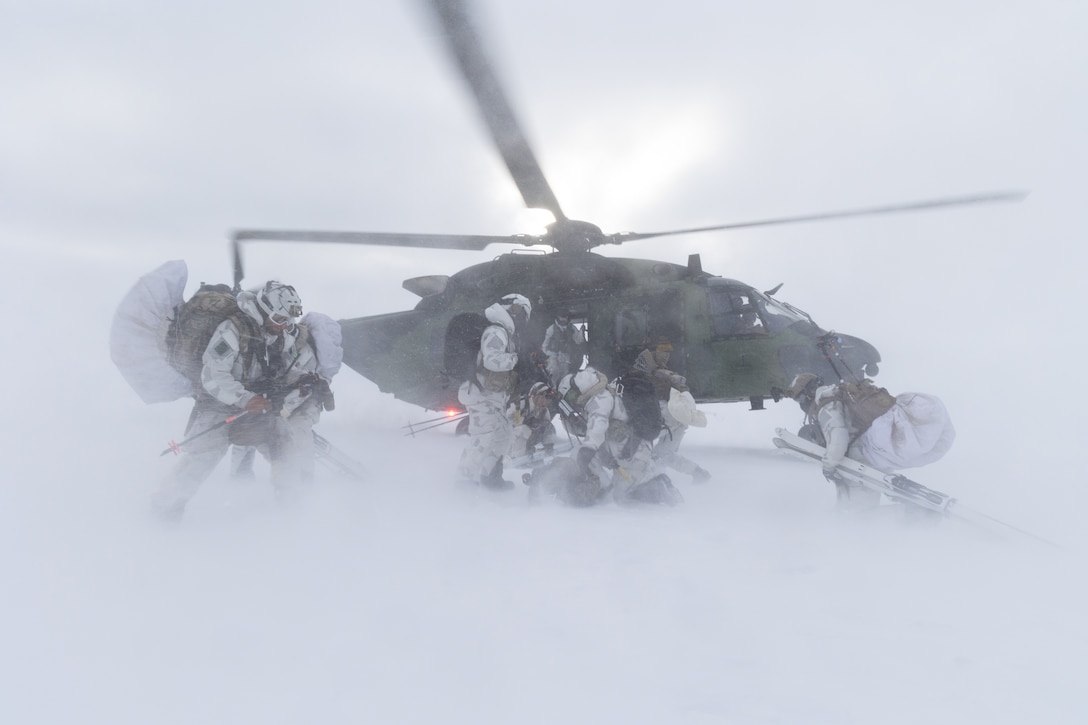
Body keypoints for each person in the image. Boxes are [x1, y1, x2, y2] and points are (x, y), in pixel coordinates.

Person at [151, 281, 331, 520]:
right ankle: (164, 510)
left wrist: (305, 380)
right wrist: (245, 399)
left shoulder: (280, 336)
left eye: (287, 320)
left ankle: (295, 511)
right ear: (265, 309)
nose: (284, 325)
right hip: (218, 402)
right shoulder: (232, 330)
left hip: (259, 404)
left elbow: (283, 369)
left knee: (286, 446)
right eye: (279, 318)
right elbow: (212, 375)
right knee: (204, 455)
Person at [784, 372, 955, 511]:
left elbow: (838, 437)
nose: (801, 404)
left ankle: (862, 531)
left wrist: (829, 465)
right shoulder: (840, 393)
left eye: (799, 399)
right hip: (879, 449)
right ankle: (902, 511)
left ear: (807, 394)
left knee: (859, 505)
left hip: (863, 454)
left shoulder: (826, 404)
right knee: (874, 489)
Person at [552, 366, 681, 506]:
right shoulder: (605, 391)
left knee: (621, 494)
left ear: (577, 388)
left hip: (631, 452)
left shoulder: (599, 400)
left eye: (571, 395)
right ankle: (655, 483)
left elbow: (597, 426)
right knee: (623, 490)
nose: (573, 400)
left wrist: (588, 449)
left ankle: (658, 489)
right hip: (632, 449)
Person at [457, 293, 532, 490]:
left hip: (492, 396)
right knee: (484, 435)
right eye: (523, 314)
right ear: (515, 308)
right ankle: (464, 482)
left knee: (503, 434)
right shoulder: (496, 331)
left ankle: (488, 476)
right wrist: (517, 359)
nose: (523, 321)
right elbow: (492, 360)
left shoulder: (505, 332)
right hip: (480, 394)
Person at [632, 338, 711, 483]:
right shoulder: (645, 371)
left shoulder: (665, 372)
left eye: (668, 352)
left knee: (641, 442)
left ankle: (646, 479)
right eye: (663, 350)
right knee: (663, 454)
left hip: (668, 416)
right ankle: (695, 472)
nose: (666, 355)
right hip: (674, 418)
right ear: (654, 351)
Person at [509, 381, 558, 460]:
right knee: (523, 429)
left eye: (547, 399)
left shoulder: (544, 410)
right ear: (535, 396)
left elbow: (548, 425)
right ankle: (517, 455)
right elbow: (508, 418)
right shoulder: (522, 403)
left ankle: (548, 450)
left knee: (549, 427)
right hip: (512, 440)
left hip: (530, 439)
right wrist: (524, 420)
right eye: (542, 398)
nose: (544, 402)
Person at [542, 310, 587, 385]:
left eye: (565, 317)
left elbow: (578, 340)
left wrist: (581, 332)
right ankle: (552, 389)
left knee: (565, 375)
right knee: (554, 373)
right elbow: (545, 343)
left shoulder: (572, 328)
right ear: (558, 317)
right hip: (553, 355)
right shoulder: (552, 328)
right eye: (561, 317)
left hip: (566, 355)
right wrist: (545, 355)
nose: (563, 319)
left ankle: (562, 390)